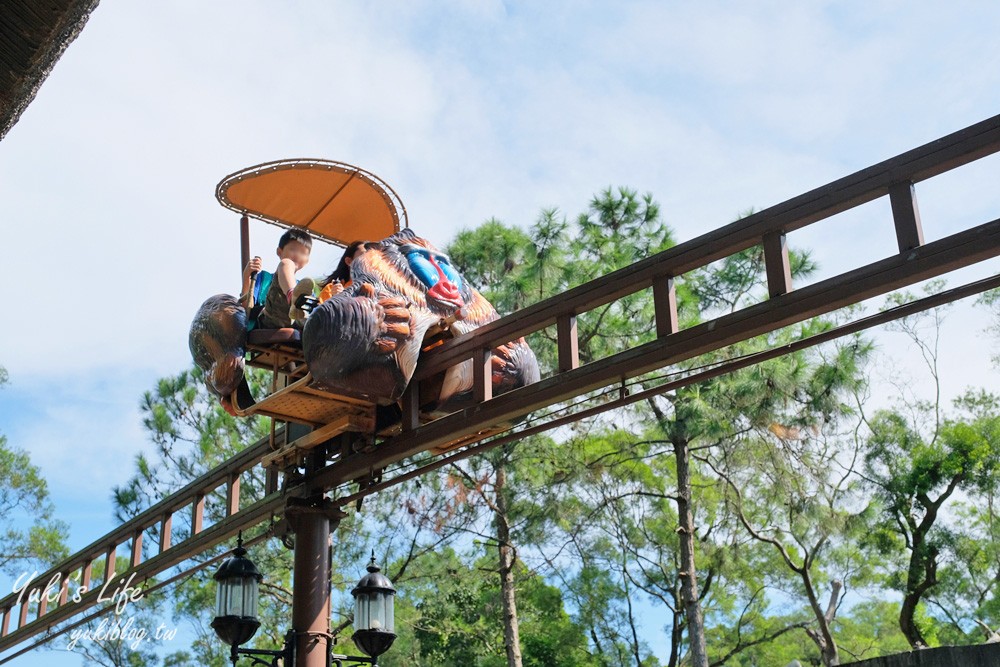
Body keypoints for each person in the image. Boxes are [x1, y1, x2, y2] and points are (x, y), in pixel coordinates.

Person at [240, 229, 313, 329]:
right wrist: (246, 277)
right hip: (270, 319)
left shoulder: (305, 286)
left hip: (298, 323)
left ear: (307, 260)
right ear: (279, 251)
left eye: (303, 252)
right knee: (286, 263)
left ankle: (297, 306)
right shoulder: (264, 278)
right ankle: (293, 298)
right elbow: (246, 307)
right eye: (293, 249)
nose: (297, 255)